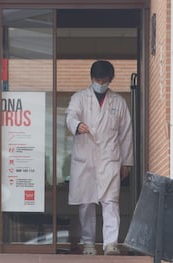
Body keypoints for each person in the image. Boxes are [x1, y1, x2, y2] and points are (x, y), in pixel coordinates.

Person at [65, 60, 133, 256]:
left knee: (110, 201)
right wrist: (77, 125)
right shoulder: (79, 98)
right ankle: (88, 243)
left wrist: (127, 162)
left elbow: (126, 134)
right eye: (97, 79)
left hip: (109, 158)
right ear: (91, 78)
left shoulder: (118, 103)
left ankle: (110, 244)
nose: (100, 83)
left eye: (104, 80)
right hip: (85, 158)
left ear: (110, 80)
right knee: (86, 203)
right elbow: (70, 115)